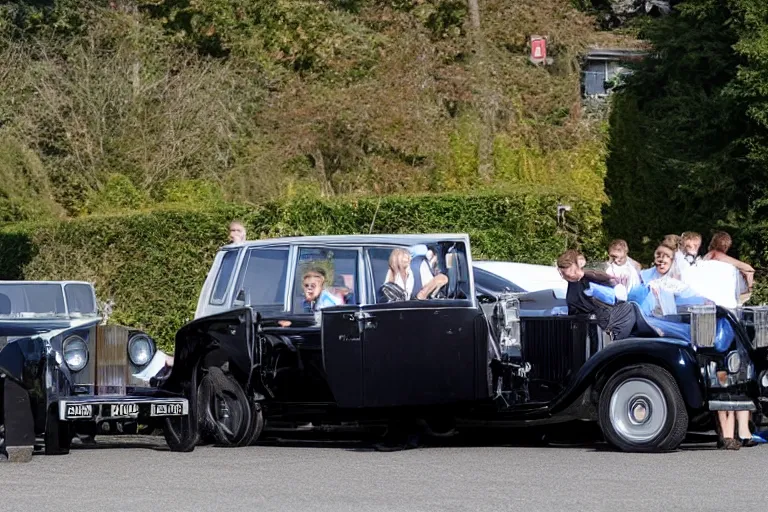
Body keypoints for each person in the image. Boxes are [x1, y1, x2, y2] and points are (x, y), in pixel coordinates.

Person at [557, 249, 636, 340]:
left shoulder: (592, 279)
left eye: (564, 272)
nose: (562, 276)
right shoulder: (573, 282)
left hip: (611, 328)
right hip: (587, 329)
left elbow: (615, 297)